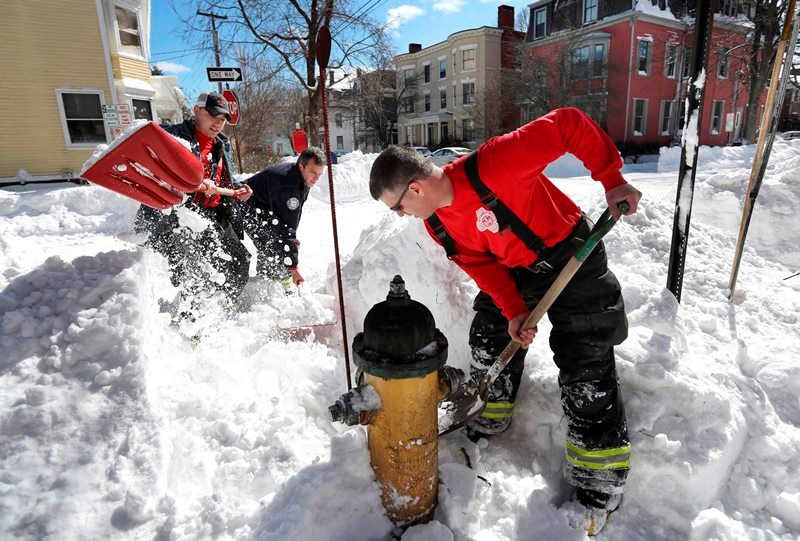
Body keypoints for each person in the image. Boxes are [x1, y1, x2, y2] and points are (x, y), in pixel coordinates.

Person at [369, 107, 642, 535]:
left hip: (572, 254)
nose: (401, 216)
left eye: (398, 206)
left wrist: (612, 180)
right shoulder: (438, 225)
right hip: (517, 270)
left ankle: (600, 483)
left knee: (583, 359)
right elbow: (481, 264)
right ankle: (491, 409)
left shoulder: (497, 162)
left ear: (416, 188)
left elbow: (569, 124)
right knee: (489, 333)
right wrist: (514, 309)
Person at [135, 91, 253, 319]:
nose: (218, 123)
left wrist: (239, 189)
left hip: (215, 213)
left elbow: (224, 178)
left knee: (240, 262)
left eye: (222, 120)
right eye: (213, 116)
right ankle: (192, 329)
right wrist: (193, 182)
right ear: (197, 111)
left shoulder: (221, 143)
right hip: (182, 216)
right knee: (196, 274)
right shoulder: (172, 137)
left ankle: (219, 312)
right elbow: (149, 168)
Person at [241, 147, 326, 289]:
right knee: (273, 243)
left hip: (265, 205)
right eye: (313, 172)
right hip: (247, 205)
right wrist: (294, 267)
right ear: (301, 166)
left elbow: (292, 217)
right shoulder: (289, 187)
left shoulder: (301, 177)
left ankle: (277, 280)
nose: (316, 178)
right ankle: (271, 287)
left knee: (281, 242)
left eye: (320, 174)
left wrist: (292, 239)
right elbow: (285, 227)